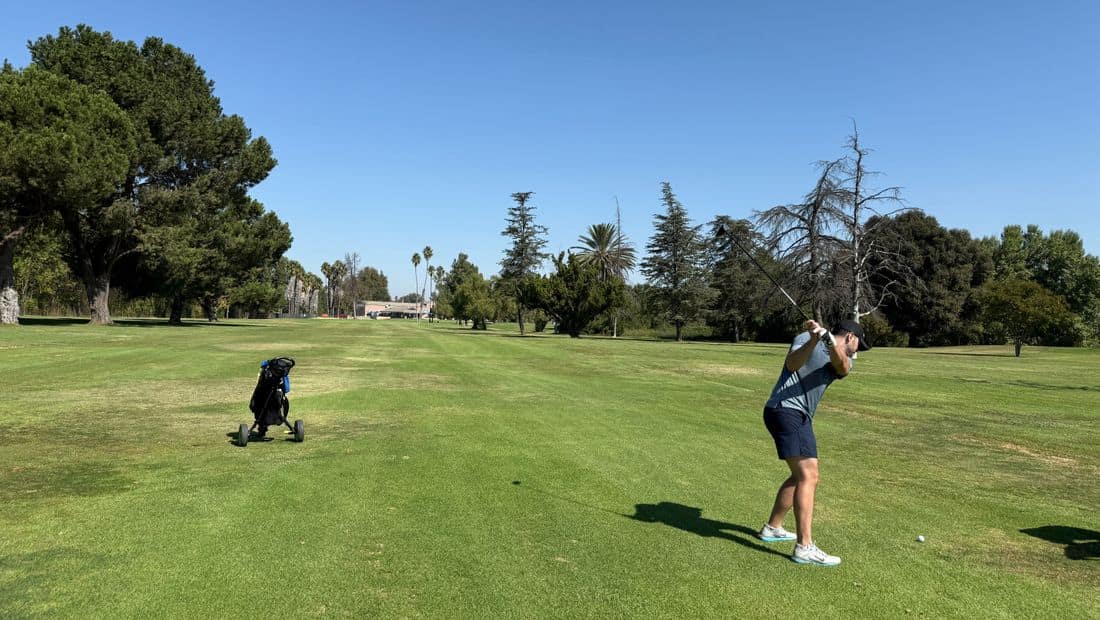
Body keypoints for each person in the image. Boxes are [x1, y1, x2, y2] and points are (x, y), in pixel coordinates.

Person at [756, 318, 870, 566]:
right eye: (859, 345)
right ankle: (804, 546)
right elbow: (792, 364)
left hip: (797, 415)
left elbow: (843, 367)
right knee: (809, 475)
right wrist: (814, 339)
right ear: (851, 337)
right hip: (786, 411)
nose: (859, 351)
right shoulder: (804, 338)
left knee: (800, 476)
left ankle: (772, 528)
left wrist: (830, 343)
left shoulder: (844, 358)